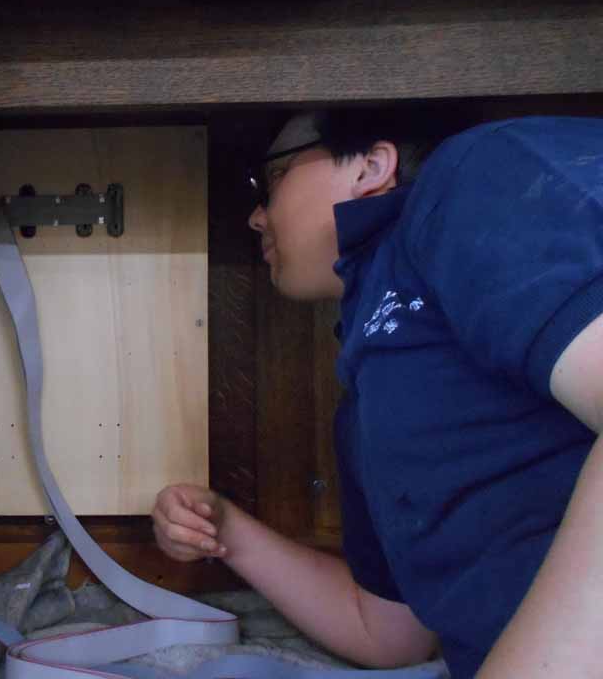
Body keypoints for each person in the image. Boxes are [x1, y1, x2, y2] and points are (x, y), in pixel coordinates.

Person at [152, 110, 603, 678]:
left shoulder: (475, 180)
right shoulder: (369, 400)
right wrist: (226, 531)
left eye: (274, 178)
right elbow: (388, 636)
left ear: (370, 167)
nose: (256, 215)